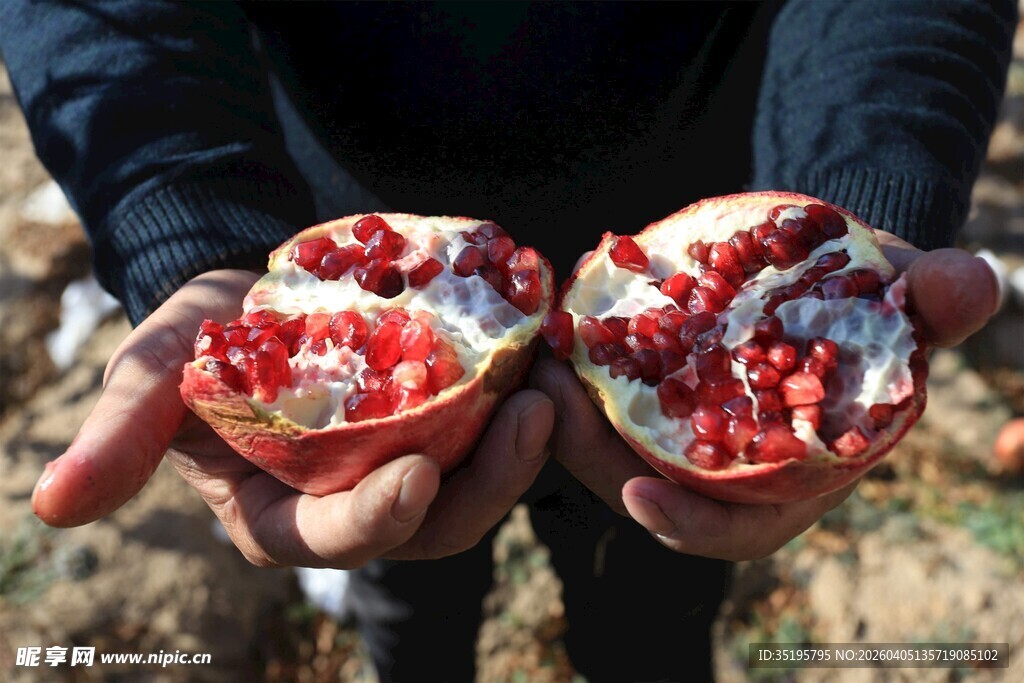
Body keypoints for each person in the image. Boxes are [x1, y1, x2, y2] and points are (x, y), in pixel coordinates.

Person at [0, 1, 1014, 680]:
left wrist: (865, 167)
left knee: (652, 607)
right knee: (406, 584)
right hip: (328, 213)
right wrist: (184, 215)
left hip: (706, 178)